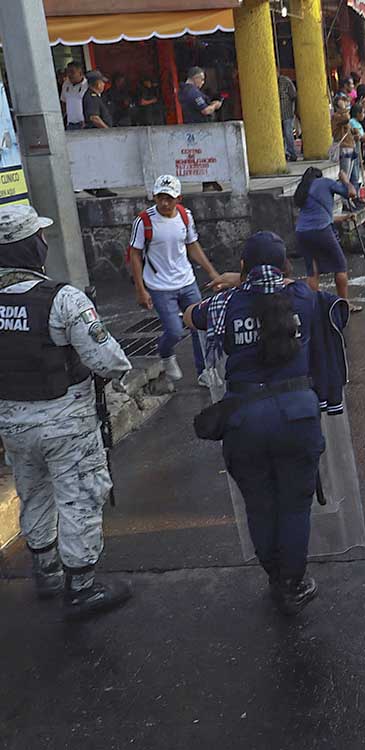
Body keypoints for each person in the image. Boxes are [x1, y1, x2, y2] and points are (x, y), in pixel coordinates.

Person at [185, 232, 345, 615]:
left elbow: (190, 316)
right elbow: (333, 311)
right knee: (293, 505)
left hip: (244, 420)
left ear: (242, 268)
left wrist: (236, 283)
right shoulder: (305, 299)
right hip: (298, 417)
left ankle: (274, 575)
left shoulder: (223, 303)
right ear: (286, 268)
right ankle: (292, 582)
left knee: (259, 504)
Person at [0, 204, 135, 619]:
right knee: (78, 497)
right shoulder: (63, 299)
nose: (44, 241)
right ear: (29, 247)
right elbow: (108, 359)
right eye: (39, 237)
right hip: (65, 422)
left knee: (34, 491)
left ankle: (47, 573)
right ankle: (81, 588)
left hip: (12, 421)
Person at [127, 174, 221, 384]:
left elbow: (192, 245)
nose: (164, 202)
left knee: (201, 326)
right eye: (160, 197)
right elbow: (134, 254)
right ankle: (166, 353)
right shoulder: (144, 221)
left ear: (179, 198)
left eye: (169, 198)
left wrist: (211, 272)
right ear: (154, 196)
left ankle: (204, 371)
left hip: (186, 281)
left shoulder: (185, 216)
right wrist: (141, 290)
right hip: (160, 286)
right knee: (175, 331)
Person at [292, 166, 361, 311]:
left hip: (302, 233)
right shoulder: (325, 182)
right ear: (319, 176)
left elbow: (323, 217)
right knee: (341, 265)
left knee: (312, 270)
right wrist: (345, 180)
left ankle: (313, 307)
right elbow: (352, 193)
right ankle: (344, 304)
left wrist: (346, 217)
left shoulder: (303, 189)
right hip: (322, 231)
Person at [178, 67, 224, 191]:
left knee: (203, 156)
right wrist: (215, 105)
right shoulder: (192, 92)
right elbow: (205, 110)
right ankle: (209, 181)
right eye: (202, 79)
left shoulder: (183, 91)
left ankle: (209, 181)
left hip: (193, 128)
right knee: (207, 155)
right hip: (200, 129)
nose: (202, 83)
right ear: (196, 78)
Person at [60, 62, 87, 130]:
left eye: (72, 72)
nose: (69, 75)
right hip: (70, 124)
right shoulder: (66, 84)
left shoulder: (87, 85)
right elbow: (63, 102)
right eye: (68, 72)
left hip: (84, 124)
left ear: (80, 73)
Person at [278, 73, 299, 161]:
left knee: (288, 133)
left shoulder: (285, 81)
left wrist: (295, 110)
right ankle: (284, 154)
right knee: (280, 135)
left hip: (287, 113)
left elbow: (294, 95)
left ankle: (292, 153)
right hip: (277, 115)